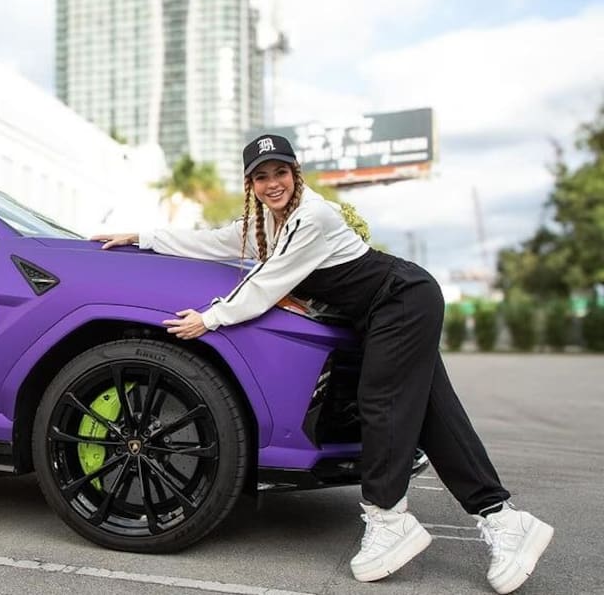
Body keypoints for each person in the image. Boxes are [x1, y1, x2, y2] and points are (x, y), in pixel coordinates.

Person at [91, 134, 553, 594]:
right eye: (262, 177)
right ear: (251, 185)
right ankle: (504, 520)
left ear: (295, 174)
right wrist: (142, 237)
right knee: (435, 418)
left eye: (281, 172)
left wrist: (208, 319)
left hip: (401, 300)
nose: (273, 183)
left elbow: (267, 283)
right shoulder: (266, 223)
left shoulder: (312, 217)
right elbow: (212, 241)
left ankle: (388, 519)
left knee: (381, 403)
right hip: (388, 308)